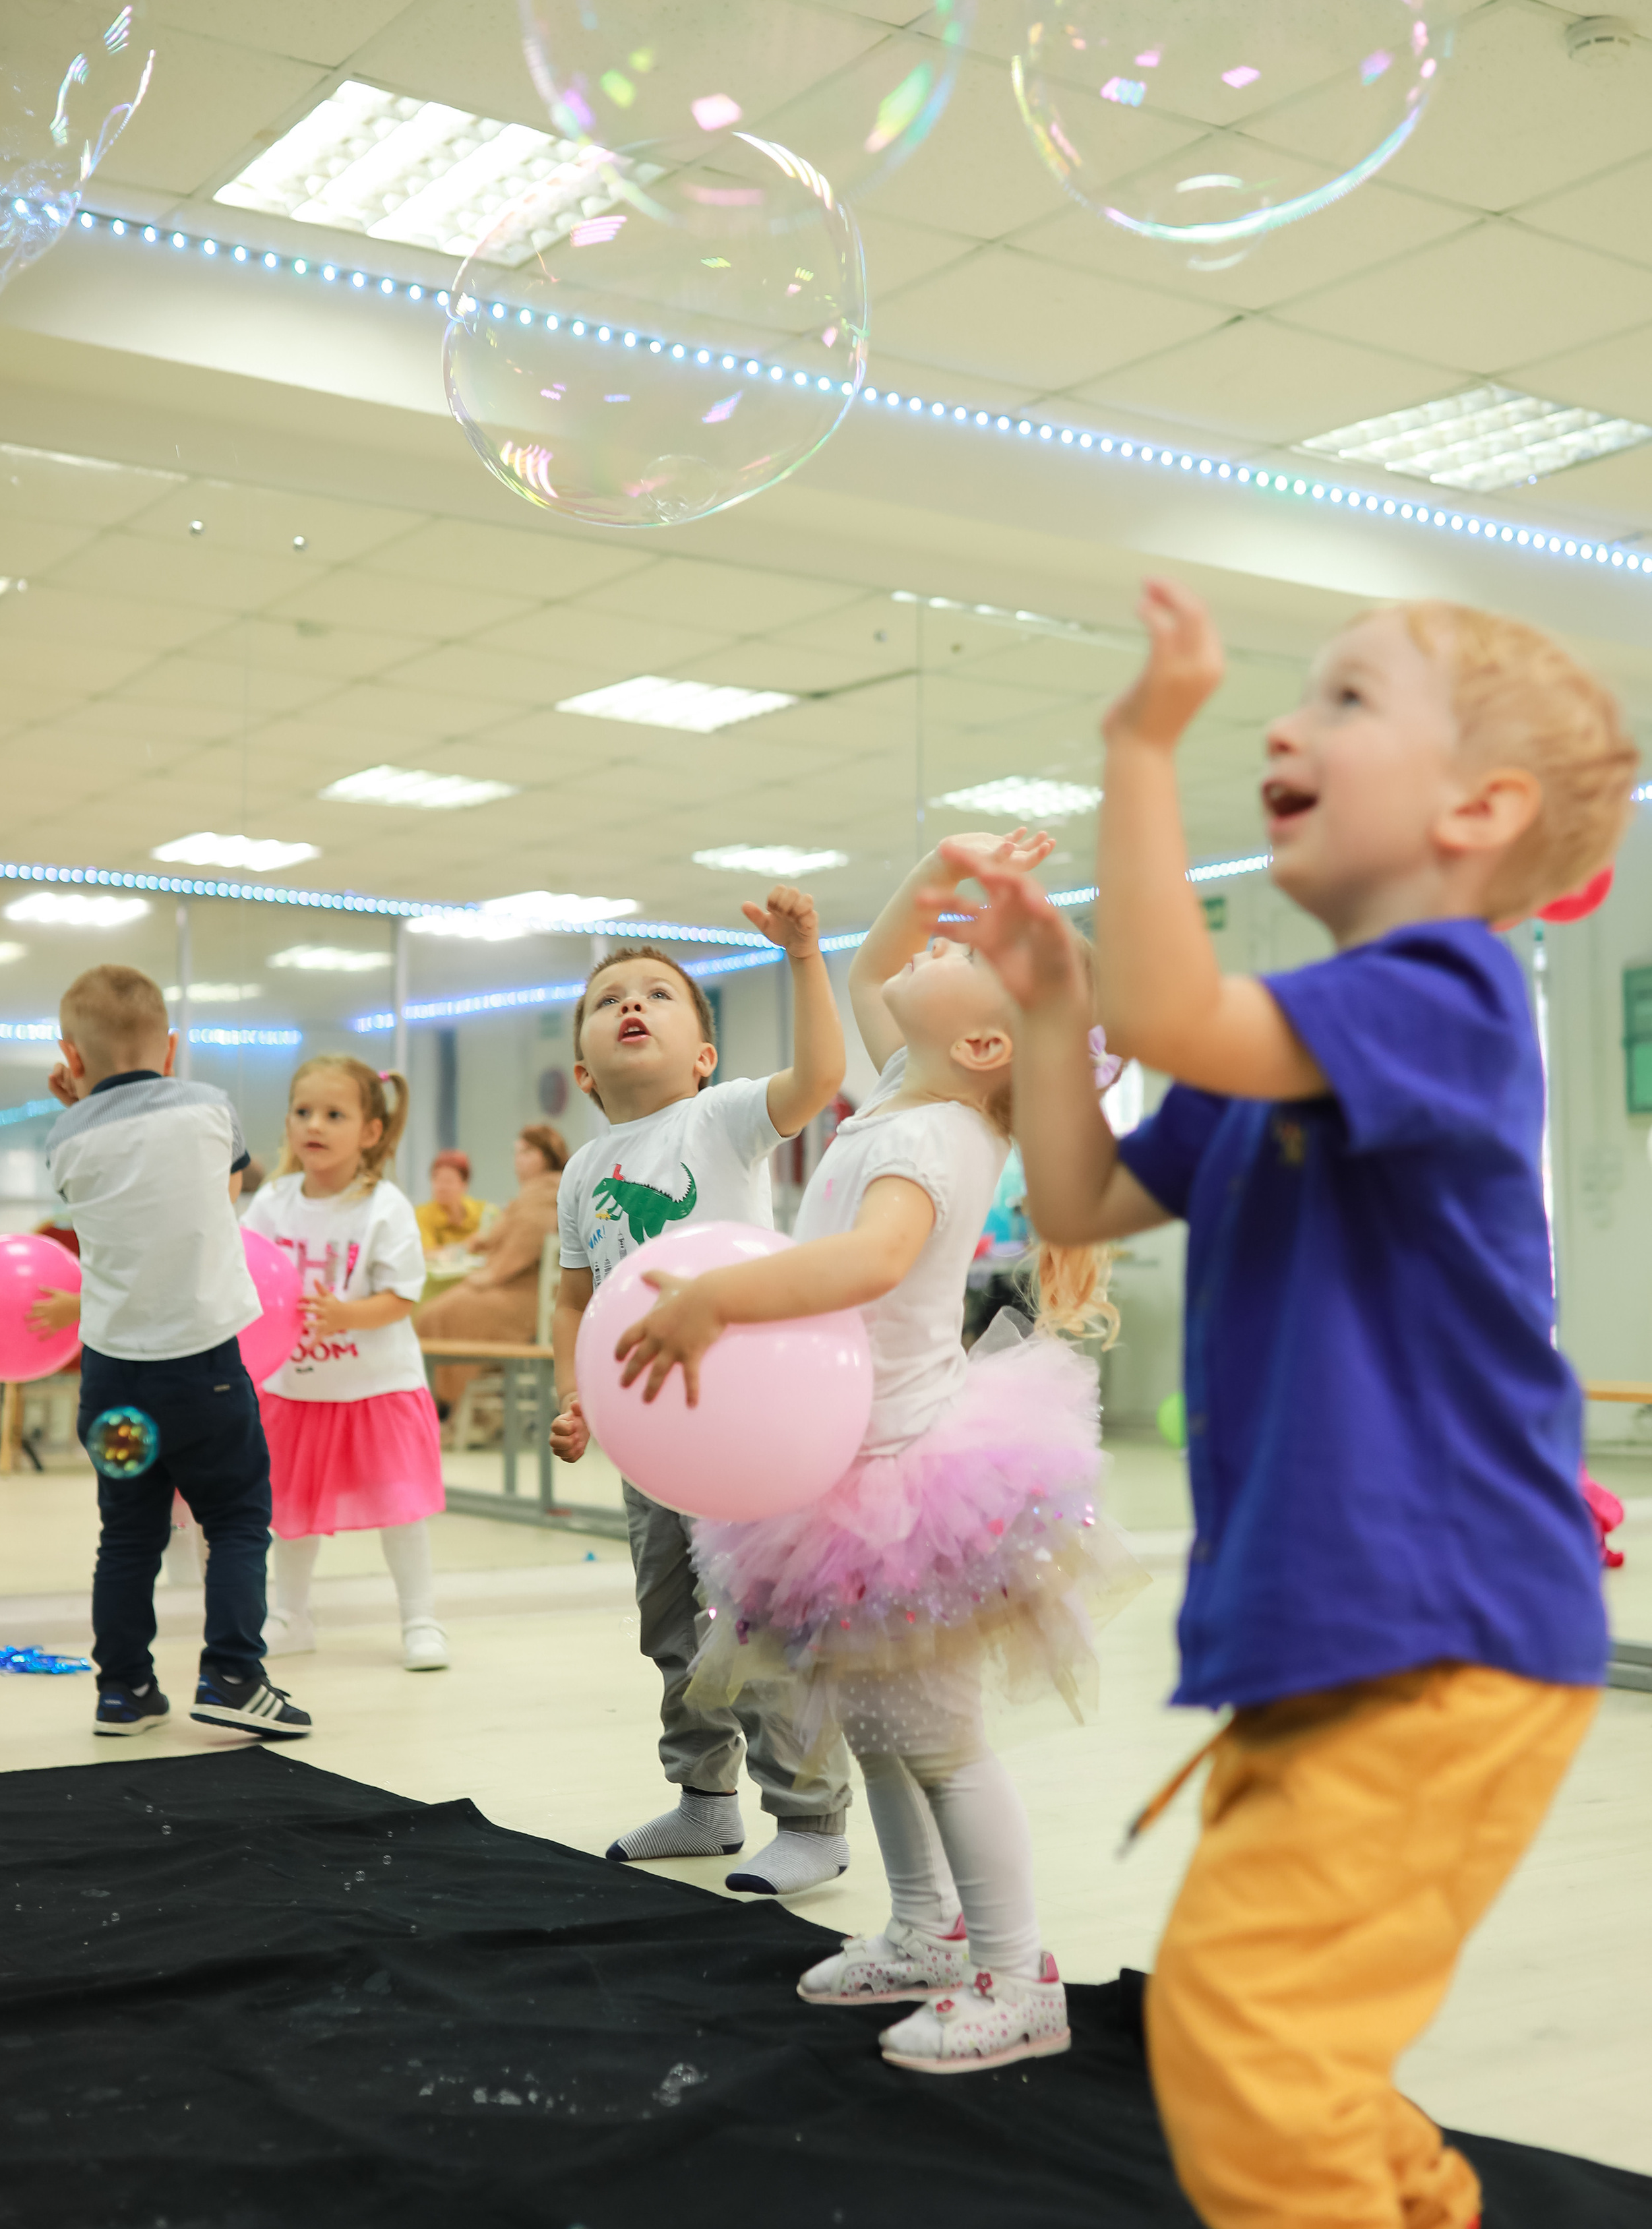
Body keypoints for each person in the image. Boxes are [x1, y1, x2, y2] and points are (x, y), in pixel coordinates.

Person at [946, 584, 1634, 2229]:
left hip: (1450, 1630)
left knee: (1243, 2026)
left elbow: (1180, 1017)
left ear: (1476, 814)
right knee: (1272, 2018)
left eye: (1341, 698)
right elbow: (1089, 1199)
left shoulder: (1448, 996)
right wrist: (1049, 1015)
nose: (1282, 724)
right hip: (1339, 1627)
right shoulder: (1286, 1045)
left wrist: (1138, 744)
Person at [609, 834, 1145, 2071]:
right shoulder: (917, 1082)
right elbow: (887, 964)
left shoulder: (934, 1138)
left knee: (941, 1742)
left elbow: (868, 1263)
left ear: (987, 1047)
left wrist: (720, 1299)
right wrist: (937, 867)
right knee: (876, 1723)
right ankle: (920, 1928)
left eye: (976, 956)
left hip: (903, 1487)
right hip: (836, 1472)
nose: (943, 947)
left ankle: (1018, 1979)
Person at [550, 896, 851, 1898]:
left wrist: (805, 957)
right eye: (608, 1001)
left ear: (704, 1056)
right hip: (648, 1439)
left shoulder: (718, 1123)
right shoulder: (584, 1169)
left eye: (658, 996)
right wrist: (575, 1393)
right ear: (585, 1073)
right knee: (673, 1624)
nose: (632, 1004)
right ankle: (706, 1800)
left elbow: (820, 1079)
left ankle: (810, 1818)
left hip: (743, 1431)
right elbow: (576, 1295)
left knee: (759, 1621)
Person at [42, 962, 312, 1739]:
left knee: (128, 1532)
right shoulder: (208, 1108)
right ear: (171, 1048)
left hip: (113, 1376)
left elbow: (102, 1173)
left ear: (72, 1056)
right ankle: (233, 1674)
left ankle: (123, 1692)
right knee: (233, 1518)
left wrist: (81, 1102)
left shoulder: (65, 1133)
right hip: (203, 1372)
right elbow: (222, 1186)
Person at [243, 1055, 448, 1671]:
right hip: (296, 1388)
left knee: (401, 1509)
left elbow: (402, 1295)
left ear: (370, 1131)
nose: (316, 1124)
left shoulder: (384, 1207)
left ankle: (421, 1620)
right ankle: (290, 1617)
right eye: (304, 1112)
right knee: (291, 1513)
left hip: (376, 1388)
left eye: (335, 1114)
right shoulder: (271, 1203)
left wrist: (344, 1317)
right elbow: (246, 1275)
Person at [415, 1120, 568, 1418]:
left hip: (523, 1292)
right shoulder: (537, 1191)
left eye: (526, 1152)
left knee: (437, 1315)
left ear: (547, 1155)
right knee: (439, 1311)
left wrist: (491, 1274)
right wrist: (486, 1244)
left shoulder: (546, 1190)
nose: (518, 1160)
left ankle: (443, 1407)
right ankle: (446, 1405)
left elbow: (526, 1242)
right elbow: (507, 1231)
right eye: (516, 1153)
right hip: (518, 1286)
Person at [416, 1150, 487, 1256]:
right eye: (437, 1180)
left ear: (465, 1185)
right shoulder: (421, 1215)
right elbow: (425, 1253)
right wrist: (465, 1246)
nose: (441, 1187)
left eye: (448, 1181)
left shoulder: (484, 1212)